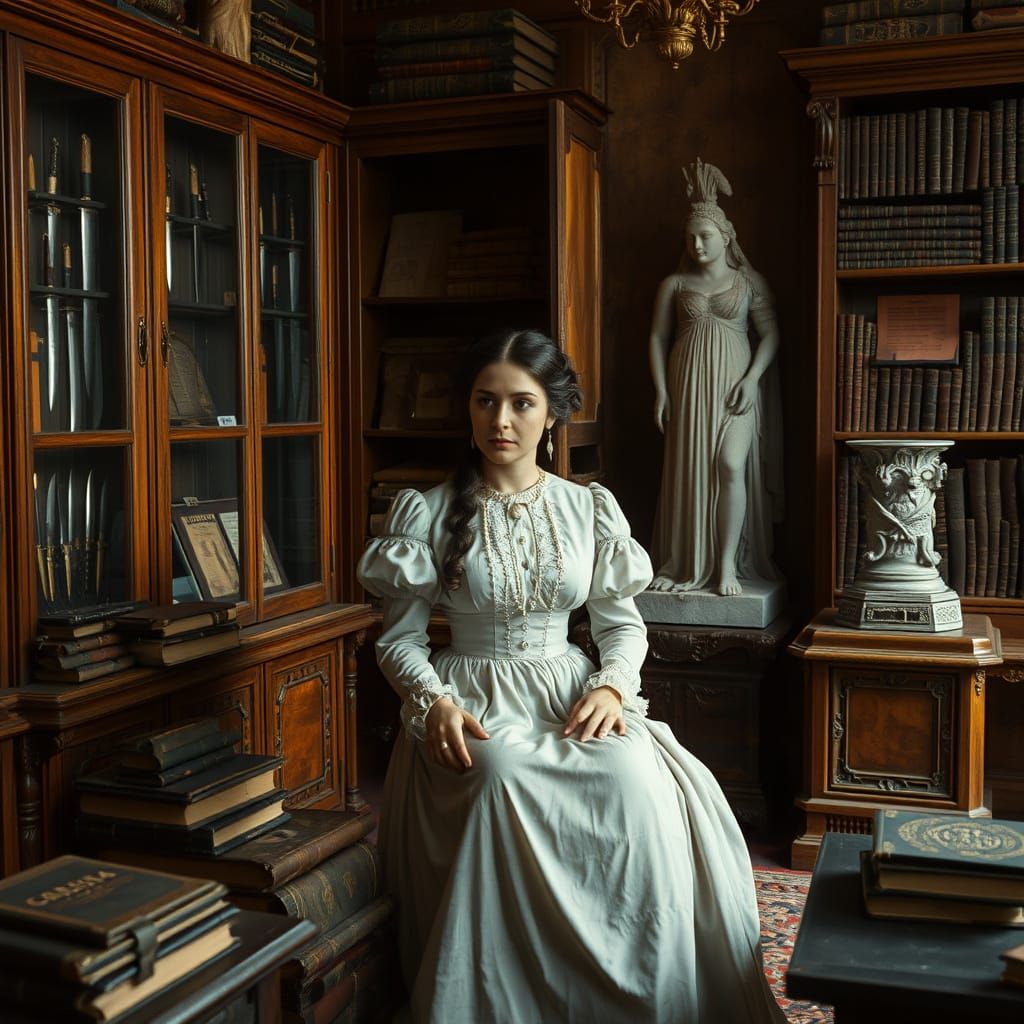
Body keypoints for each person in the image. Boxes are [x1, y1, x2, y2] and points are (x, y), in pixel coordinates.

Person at [357, 329, 785, 1023]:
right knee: (497, 777)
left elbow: (621, 626)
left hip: (568, 690)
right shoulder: (427, 512)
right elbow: (398, 641)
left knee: (637, 782)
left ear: (552, 414)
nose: (500, 421)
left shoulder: (588, 509)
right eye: (485, 401)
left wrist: (613, 685)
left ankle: (632, 993)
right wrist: (431, 701)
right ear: (466, 409)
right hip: (472, 697)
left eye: (521, 404)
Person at [649, 158, 784, 597]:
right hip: (689, 388)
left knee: (730, 465)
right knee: (691, 472)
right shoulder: (673, 284)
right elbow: (656, 337)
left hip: (735, 388)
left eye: (705, 237)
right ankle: (689, 563)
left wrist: (752, 378)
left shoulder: (750, 282)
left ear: (725, 237)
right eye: (690, 238)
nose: (697, 245)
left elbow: (771, 335)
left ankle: (727, 566)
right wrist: (661, 391)